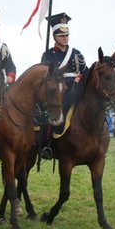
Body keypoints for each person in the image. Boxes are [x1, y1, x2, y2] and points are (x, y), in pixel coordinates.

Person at [39, 12, 87, 159]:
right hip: (58, 91)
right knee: (48, 116)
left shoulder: (76, 54)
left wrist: (80, 77)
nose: (65, 38)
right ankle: (47, 145)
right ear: (54, 36)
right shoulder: (48, 54)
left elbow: (85, 71)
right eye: (61, 35)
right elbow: (45, 75)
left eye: (67, 35)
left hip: (77, 88)